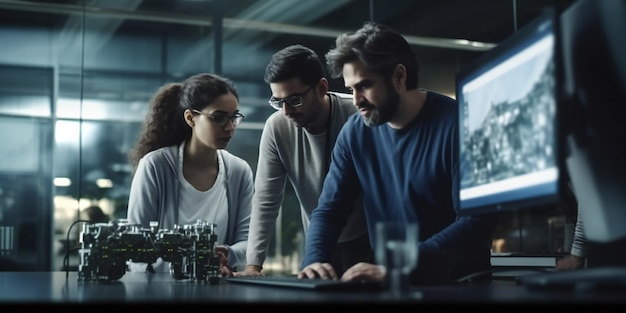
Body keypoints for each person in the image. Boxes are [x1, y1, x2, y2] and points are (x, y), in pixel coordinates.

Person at [298, 22, 498, 286]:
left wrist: (402, 264)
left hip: (460, 284)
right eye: (351, 89)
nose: (356, 100)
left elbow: (477, 221)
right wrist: (314, 260)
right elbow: (329, 211)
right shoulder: (354, 132)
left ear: (399, 76)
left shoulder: (462, 124)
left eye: (365, 85)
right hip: (389, 282)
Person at [236, 44, 370, 277]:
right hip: (318, 244)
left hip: (368, 239)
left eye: (295, 99)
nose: (286, 111)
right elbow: (266, 199)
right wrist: (253, 265)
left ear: (321, 88)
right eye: (278, 101)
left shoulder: (358, 116)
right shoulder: (277, 127)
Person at [126, 73, 253, 277]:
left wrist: (225, 254)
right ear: (190, 118)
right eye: (219, 117)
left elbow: (248, 242)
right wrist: (193, 263)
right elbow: (137, 246)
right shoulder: (155, 166)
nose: (229, 127)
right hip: (160, 290)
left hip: (218, 289)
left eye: (234, 117)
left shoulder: (239, 171)